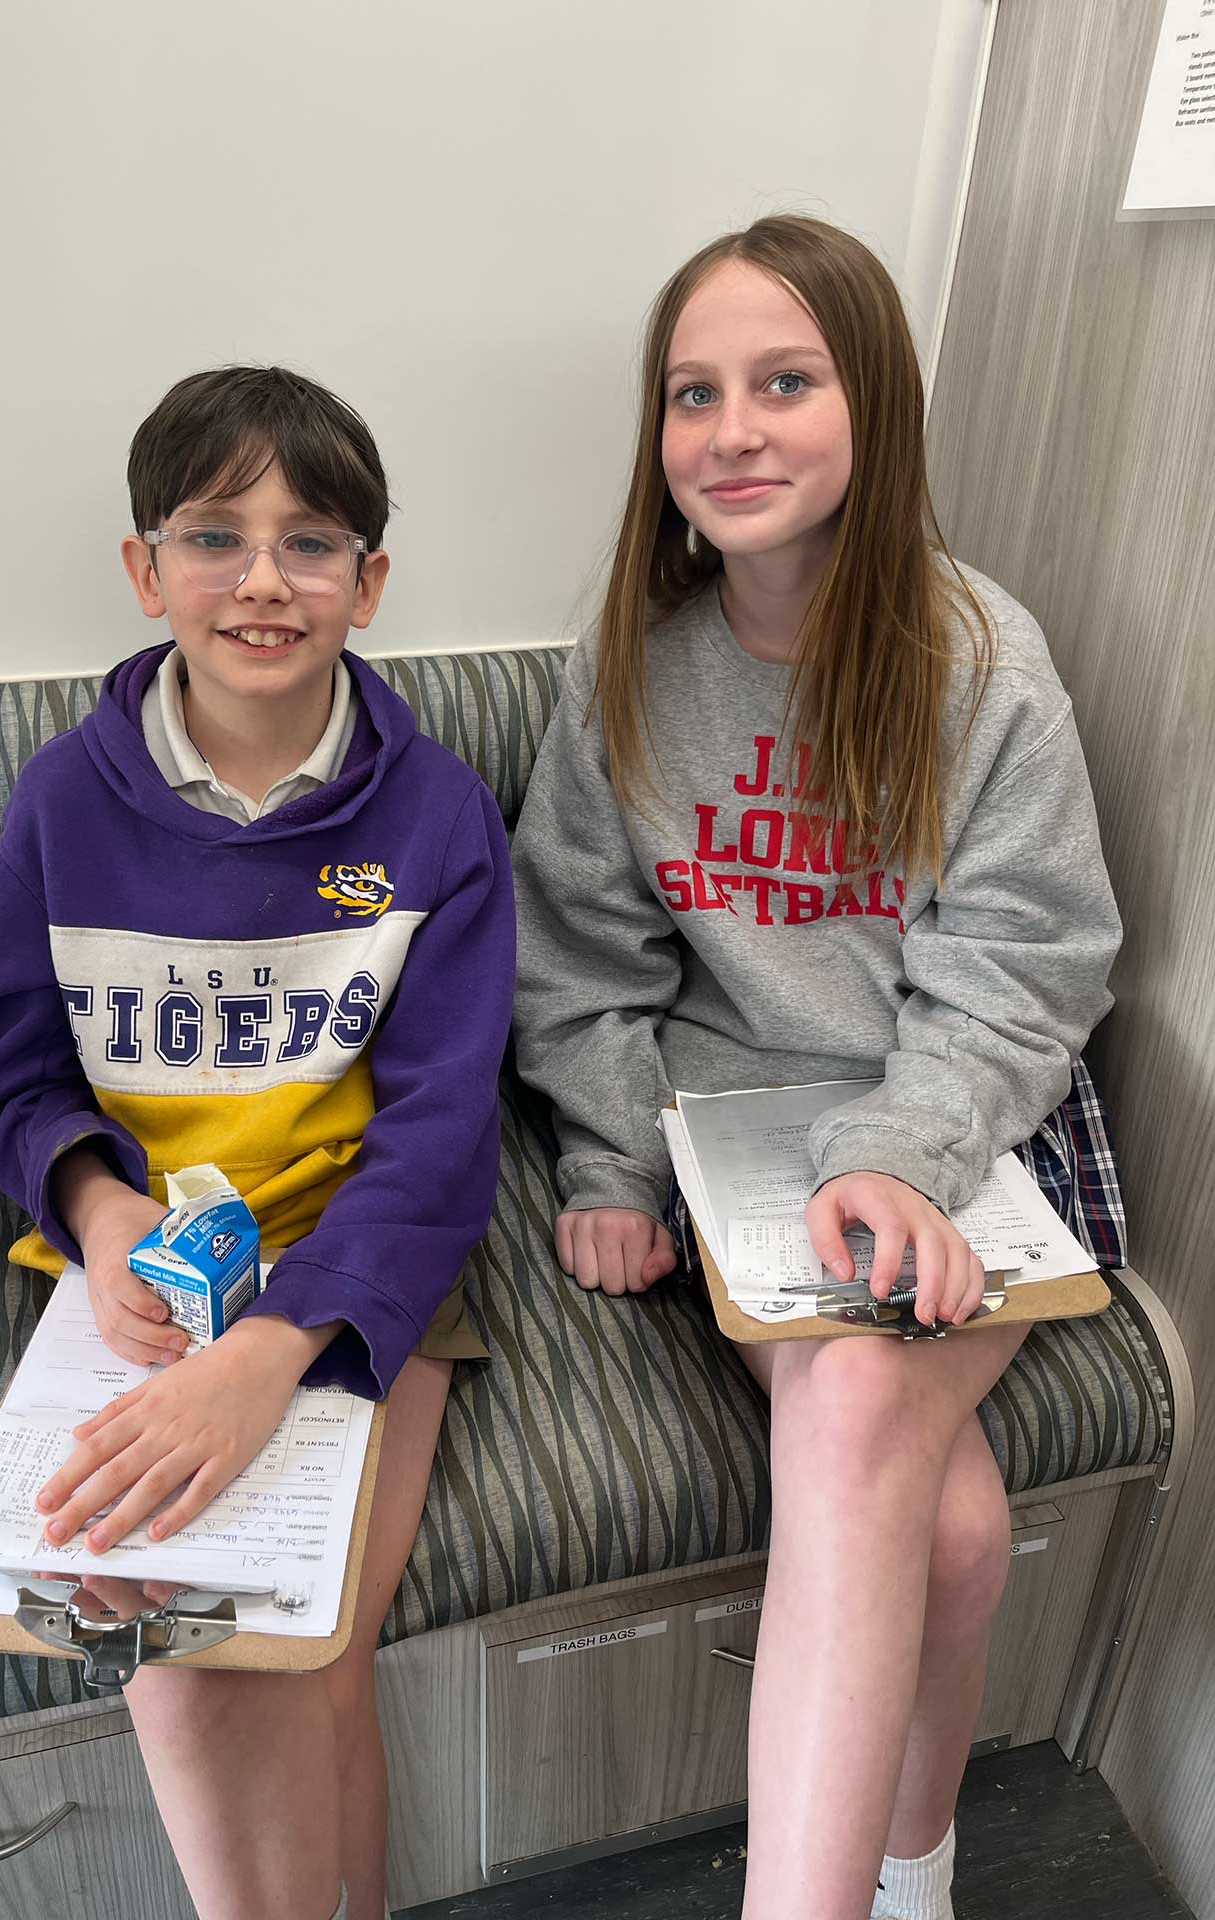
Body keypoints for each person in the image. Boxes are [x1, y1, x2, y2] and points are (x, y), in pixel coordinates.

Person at [511, 216, 1123, 1920]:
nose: (732, 431)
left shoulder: (980, 661)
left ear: (876, 406)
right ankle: (914, 1883)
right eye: (693, 394)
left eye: (785, 382)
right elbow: (576, 953)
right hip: (736, 1144)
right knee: (953, 1532)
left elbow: (1026, 965)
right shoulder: (631, 665)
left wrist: (899, 1152)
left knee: (864, 1420)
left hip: (960, 1117)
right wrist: (613, 1162)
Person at [0, 365, 515, 1920]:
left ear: (369, 583)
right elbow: (12, 1081)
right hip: (141, 1269)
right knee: (178, 1642)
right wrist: (96, 1209)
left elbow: (444, 1129)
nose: (264, 579)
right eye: (216, 535)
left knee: (309, 1638)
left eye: (310, 541)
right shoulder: (62, 799)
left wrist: (276, 1347)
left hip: (364, 1258)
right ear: (147, 569)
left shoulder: (442, 815)